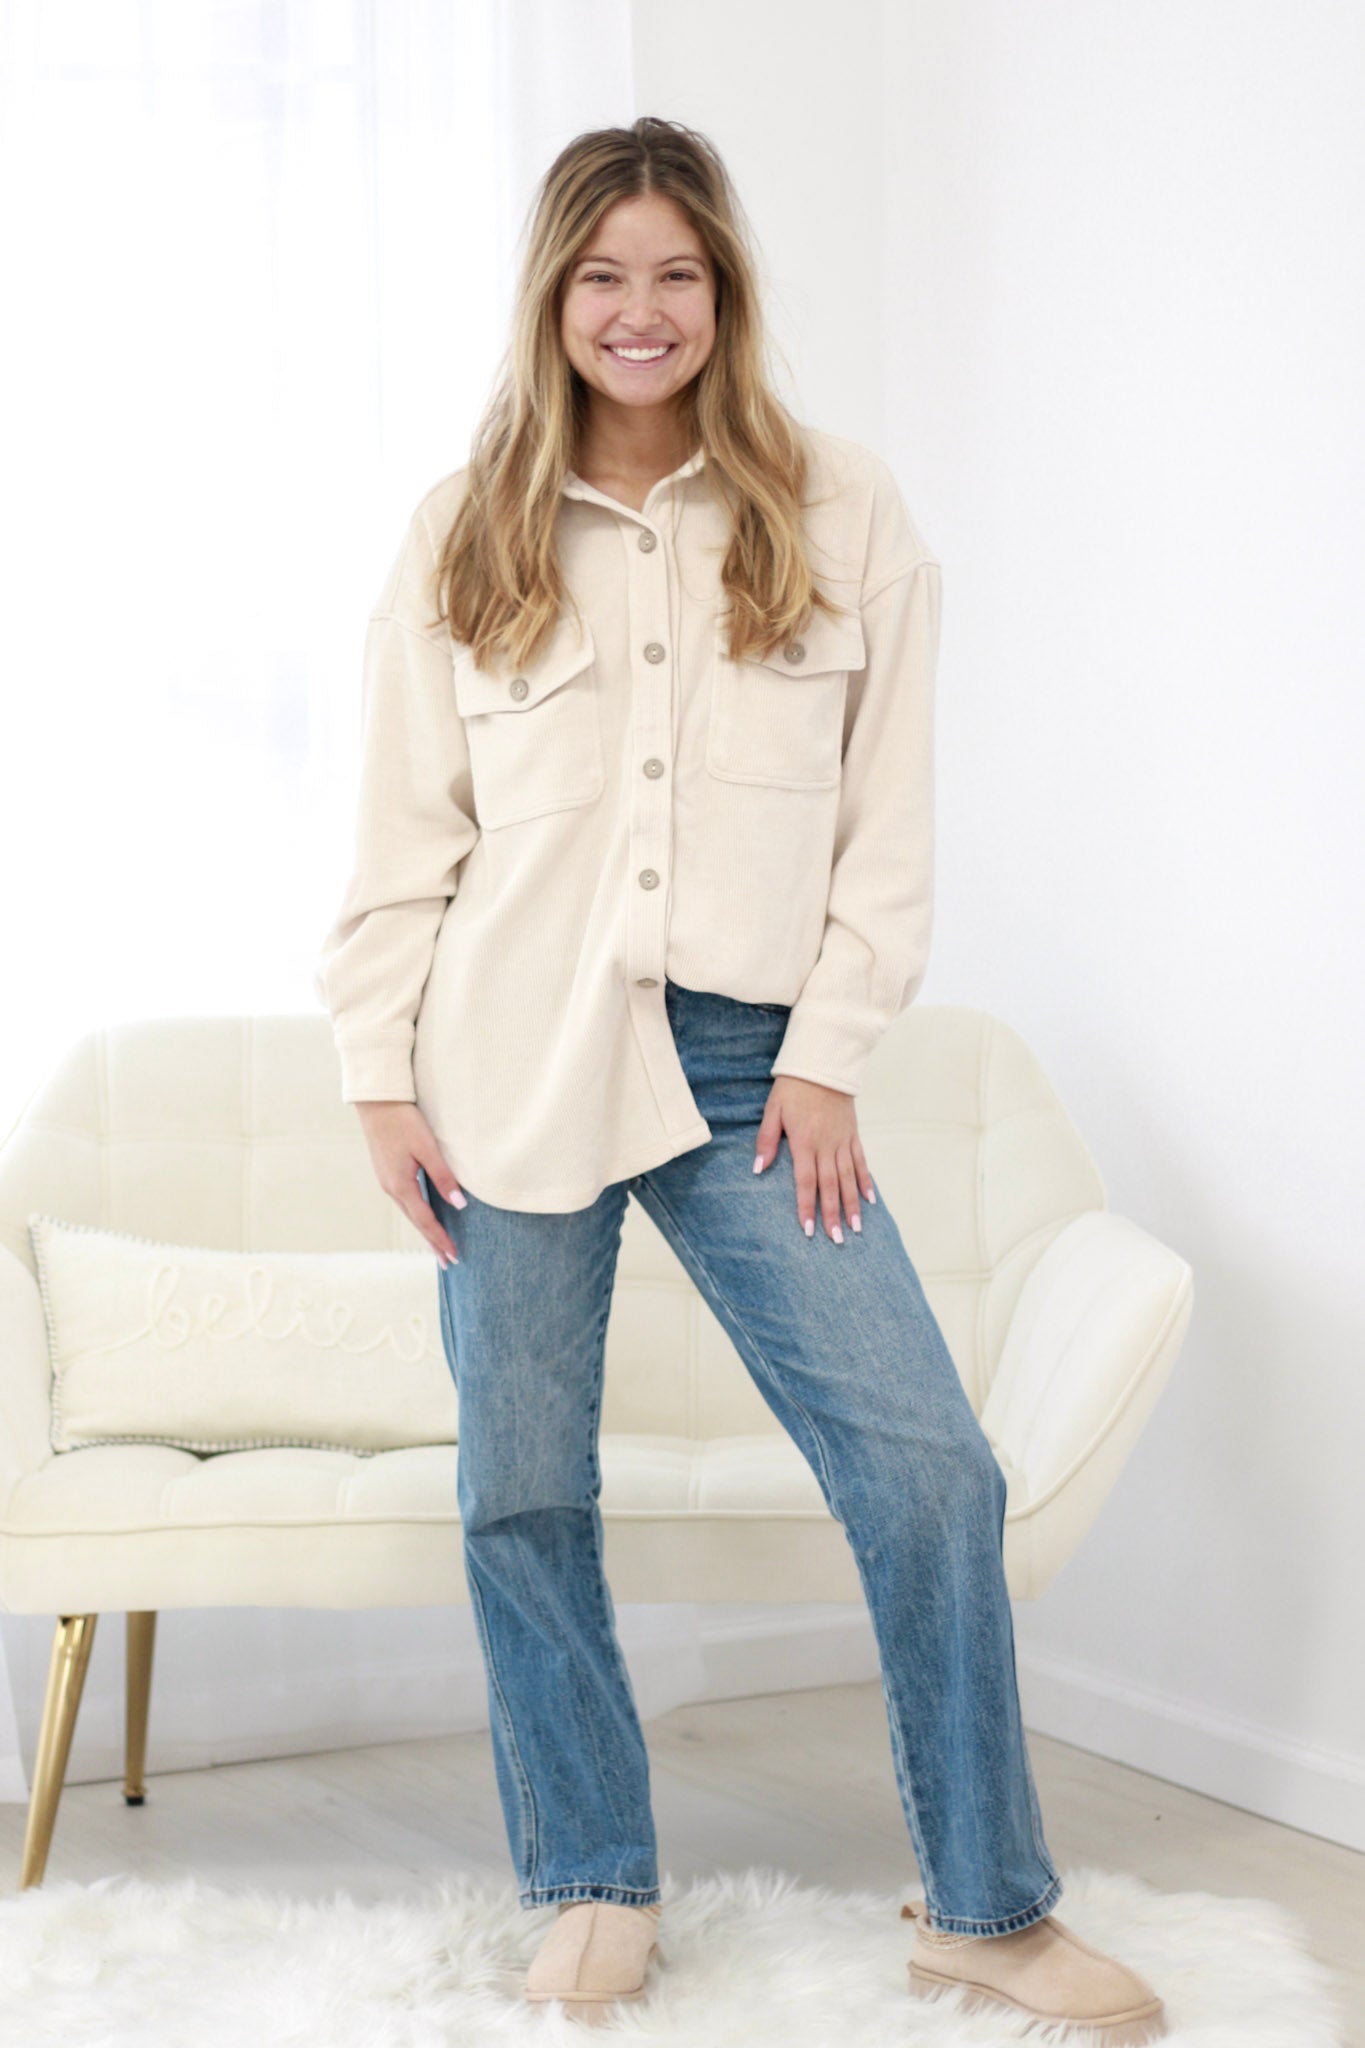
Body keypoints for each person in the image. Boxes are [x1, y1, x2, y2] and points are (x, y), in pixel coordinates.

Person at [315, 116, 1167, 2042]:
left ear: (725, 291)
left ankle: (985, 1908)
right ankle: (590, 1882)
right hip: (504, 1056)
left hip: (753, 1066)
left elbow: (887, 819)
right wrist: (378, 1077)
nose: (641, 311)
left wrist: (832, 1049)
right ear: (552, 298)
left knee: (928, 1470)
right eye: (602, 276)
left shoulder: (840, 507)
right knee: (519, 1491)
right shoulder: (462, 529)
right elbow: (399, 836)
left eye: (676, 274)